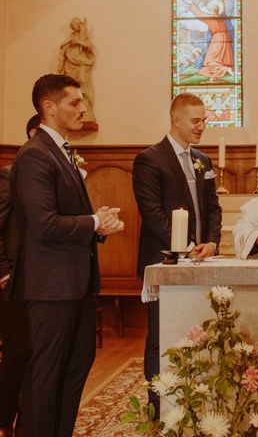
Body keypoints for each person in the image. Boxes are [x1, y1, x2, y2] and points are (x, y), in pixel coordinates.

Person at [10, 74, 123, 436]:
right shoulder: (34, 156)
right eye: (74, 102)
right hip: (49, 287)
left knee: (76, 366)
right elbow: (44, 225)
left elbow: (67, 216)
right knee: (47, 373)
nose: (82, 108)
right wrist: (93, 221)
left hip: (75, 282)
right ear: (49, 107)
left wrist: (99, 227)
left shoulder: (62, 151)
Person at [132, 92, 222, 416]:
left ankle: (192, 398)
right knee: (160, 334)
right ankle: (158, 405)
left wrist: (211, 244)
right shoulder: (149, 159)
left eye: (204, 120)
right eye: (196, 120)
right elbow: (153, 214)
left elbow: (213, 208)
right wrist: (183, 249)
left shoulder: (203, 160)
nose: (202, 126)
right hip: (164, 261)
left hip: (200, 259)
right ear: (176, 119)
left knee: (194, 332)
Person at [0, 115, 40, 437]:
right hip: (13, 282)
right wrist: (3, 272)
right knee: (17, 352)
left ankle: (30, 422)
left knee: (37, 355)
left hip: (42, 281)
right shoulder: (8, 176)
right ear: (33, 133)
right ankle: (4, 420)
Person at [58, 17, 96, 121]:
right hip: (70, 64)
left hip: (81, 64)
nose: (74, 26)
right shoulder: (71, 37)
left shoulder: (84, 36)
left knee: (82, 84)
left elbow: (90, 47)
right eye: (73, 25)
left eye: (76, 24)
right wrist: (60, 67)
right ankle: (74, 111)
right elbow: (63, 49)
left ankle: (86, 110)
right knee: (71, 89)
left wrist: (78, 42)